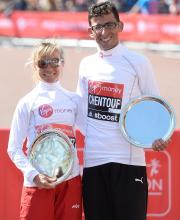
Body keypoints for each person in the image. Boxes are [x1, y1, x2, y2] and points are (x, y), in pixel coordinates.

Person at [76, 1, 169, 220]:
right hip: (94, 162)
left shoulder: (138, 62)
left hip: (128, 162)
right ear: (91, 32)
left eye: (109, 25)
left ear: (120, 26)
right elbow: (81, 112)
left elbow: (155, 106)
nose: (104, 32)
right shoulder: (85, 65)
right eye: (98, 27)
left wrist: (157, 137)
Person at [8, 40, 84, 220]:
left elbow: (93, 133)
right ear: (35, 66)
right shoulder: (27, 102)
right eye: (43, 63)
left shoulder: (74, 100)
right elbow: (13, 148)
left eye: (54, 61)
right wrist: (33, 175)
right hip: (38, 183)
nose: (49, 67)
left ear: (62, 63)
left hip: (70, 181)